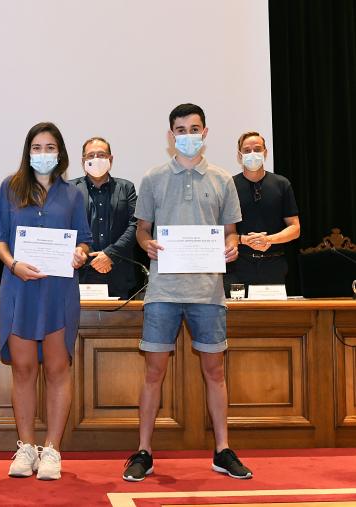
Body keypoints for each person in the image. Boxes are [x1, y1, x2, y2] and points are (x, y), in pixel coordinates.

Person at [123, 103, 252, 482]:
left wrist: (233, 245)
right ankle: (144, 450)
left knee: (215, 371)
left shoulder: (223, 180)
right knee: (153, 373)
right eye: (181, 129)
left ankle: (222, 450)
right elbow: (142, 230)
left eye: (194, 128)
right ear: (170, 135)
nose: (188, 135)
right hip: (163, 290)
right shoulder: (153, 178)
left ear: (206, 132)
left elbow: (230, 232)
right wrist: (146, 243)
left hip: (208, 290)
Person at [0, 122, 91, 480]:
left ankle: (52, 450)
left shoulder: (75, 194)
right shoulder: (10, 188)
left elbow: (84, 241)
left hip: (59, 291)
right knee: (23, 369)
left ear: (60, 153)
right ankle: (26, 447)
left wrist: (79, 252)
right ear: (27, 152)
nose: (43, 154)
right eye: (37, 147)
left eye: (50, 148)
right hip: (19, 287)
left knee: (58, 370)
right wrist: (13, 263)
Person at [224, 132, 300, 290]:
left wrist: (269, 240)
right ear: (240, 155)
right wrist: (244, 240)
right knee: (238, 315)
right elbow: (223, 230)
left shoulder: (281, 184)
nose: (252, 154)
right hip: (238, 267)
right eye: (247, 150)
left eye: (257, 149)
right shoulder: (229, 185)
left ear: (265, 152)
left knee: (274, 314)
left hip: (274, 266)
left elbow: (295, 228)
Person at [70, 137, 139, 299]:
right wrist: (89, 256)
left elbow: (135, 225)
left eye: (101, 155)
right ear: (83, 161)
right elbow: (64, 225)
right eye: (91, 155)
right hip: (80, 272)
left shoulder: (126, 187)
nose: (96, 159)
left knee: (120, 324)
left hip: (119, 272)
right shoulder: (70, 190)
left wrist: (109, 254)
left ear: (111, 159)